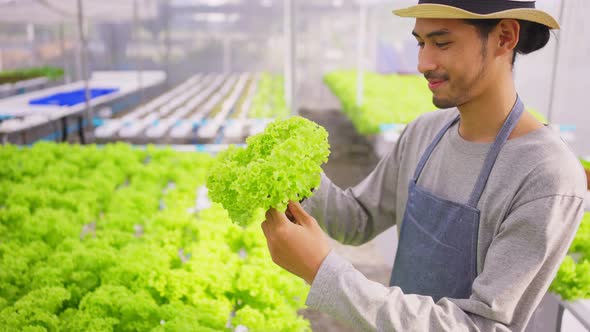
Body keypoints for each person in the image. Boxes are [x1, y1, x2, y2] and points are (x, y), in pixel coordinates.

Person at [261, 0, 587, 331]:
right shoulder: (424, 132)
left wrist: (322, 271)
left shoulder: (546, 176)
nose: (422, 62)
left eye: (442, 42)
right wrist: (293, 171)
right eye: (420, 42)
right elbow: (356, 220)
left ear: (504, 36)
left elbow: (478, 325)